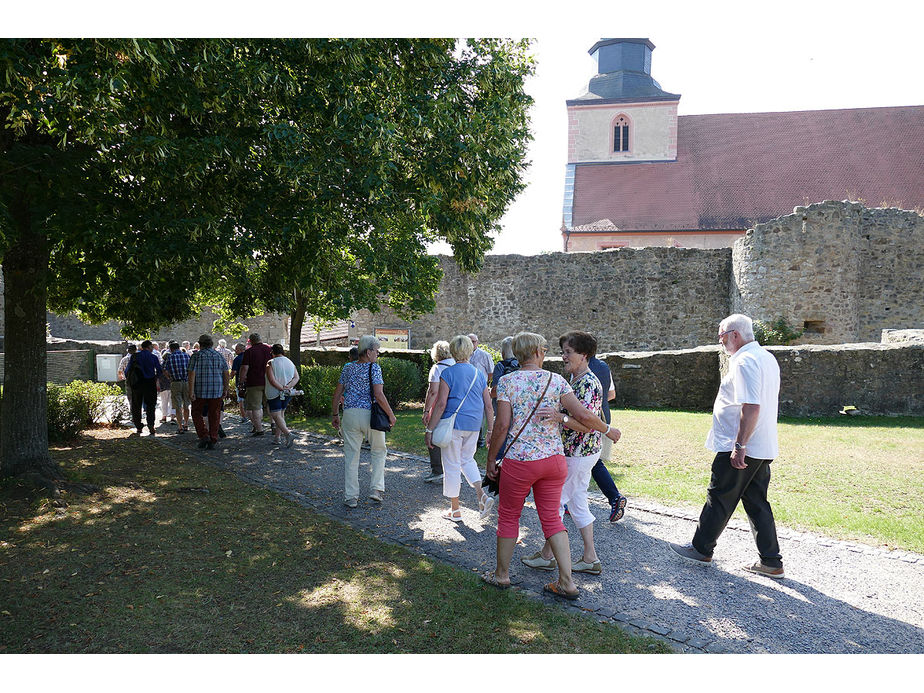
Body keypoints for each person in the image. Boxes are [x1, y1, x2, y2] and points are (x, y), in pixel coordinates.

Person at [482, 331, 618, 600]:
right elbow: (581, 414)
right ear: (536, 352)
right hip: (553, 461)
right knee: (553, 518)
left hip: (520, 461)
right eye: (543, 349)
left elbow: (502, 425)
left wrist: (490, 460)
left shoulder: (508, 382)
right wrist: (606, 429)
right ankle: (566, 582)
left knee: (509, 515)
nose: (547, 353)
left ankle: (501, 575)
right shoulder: (556, 381)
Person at [669, 314, 785, 579]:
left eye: (721, 336)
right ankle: (771, 561)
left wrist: (739, 445)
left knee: (719, 496)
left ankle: (701, 549)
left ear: (735, 334)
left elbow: (752, 406)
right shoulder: (766, 357)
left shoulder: (745, 360)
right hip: (761, 445)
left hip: (743, 445)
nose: (720, 342)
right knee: (756, 502)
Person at [522, 331, 621, 576]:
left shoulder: (587, 382)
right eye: (563, 351)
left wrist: (560, 417)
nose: (564, 356)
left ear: (584, 355)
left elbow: (587, 423)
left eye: (569, 352)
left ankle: (547, 556)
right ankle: (590, 558)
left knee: (555, 503)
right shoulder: (577, 379)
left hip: (578, 453)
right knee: (577, 503)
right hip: (580, 453)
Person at [424, 335, 494, 522]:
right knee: (467, 460)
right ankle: (481, 495)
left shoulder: (448, 373)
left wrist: (430, 430)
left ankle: (455, 510)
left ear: (453, 351)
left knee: (452, 465)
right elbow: (488, 406)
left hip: (453, 424)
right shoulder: (479, 374)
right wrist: (489, 430)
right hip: (473, 425)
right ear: (470, 351)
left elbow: (441, 404)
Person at [330, 335, 397, 508]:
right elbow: (378, 394)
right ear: (368, 352)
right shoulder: (374, 368)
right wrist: (390, 414)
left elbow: (337, 393)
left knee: (351, 456)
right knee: (378, 451)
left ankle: (351, 497)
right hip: (370, 415)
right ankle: (376, 490)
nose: (378, 354)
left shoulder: (348, 368)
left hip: (350, 415)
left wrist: (335, 414)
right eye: (377, 351)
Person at [587, 352, 629, 522]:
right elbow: (611, 395)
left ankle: (614, 497)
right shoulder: (604, 367)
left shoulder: (581, 368)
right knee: (592, 460)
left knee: (591, 460)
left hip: (589, 420)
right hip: (604, 417)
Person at [187, 334, 230, 450]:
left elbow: (191, 374)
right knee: (214, 415)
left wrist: (190, 391)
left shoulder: (196, 356)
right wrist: (225, 388)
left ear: (200, 344)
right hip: (216, 391)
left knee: (196, 413)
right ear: (211, 344)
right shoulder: (219, 356)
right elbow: (226, 373)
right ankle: (213, 438)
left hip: (199, 390)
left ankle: (203, 435)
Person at [421, 340, 455, 483]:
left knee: (433, 434)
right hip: (454, 406)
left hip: (439, 404)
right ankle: (450, 470)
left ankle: (437, 470)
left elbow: (433, 391)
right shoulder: (456, 365)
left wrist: (426, 410)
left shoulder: (437, 368)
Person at [238, 332, 274, 436]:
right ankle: (273, 424)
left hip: (254, 382)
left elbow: (244, 368)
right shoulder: (269, 349)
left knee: (256, 407)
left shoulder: (249, 352)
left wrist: (241, 382)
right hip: (269, 381)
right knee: (270, 404)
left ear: (251, 341)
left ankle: (259, 429)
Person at [265, 343, 299, 448]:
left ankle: (288, 434)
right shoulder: (290, 362)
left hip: (274, 392)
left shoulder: (270, 363)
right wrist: (288, 387)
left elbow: (271, 380)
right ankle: (277, 438)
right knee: (281, 414)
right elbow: (296, 377)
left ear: (272, 352)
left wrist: (281, 388)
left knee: (275, 415)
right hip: (287, 393)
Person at [127, 340, 163, 436]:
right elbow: (159, 371)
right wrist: (156, 379)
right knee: (151, 405)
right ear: (149, 347)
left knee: (136, 405)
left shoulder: (134, 356)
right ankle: (151, 425)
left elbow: (127, 370)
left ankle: (138, 426)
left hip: (137, 383)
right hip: (150, 382)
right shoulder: (153, 357)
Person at [468, 333, 494, 447]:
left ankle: (481, 438)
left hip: (480, 389)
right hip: (466, 389)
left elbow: (490, 373)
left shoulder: (484, 355)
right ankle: (470, 436)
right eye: (469, 341)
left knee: (482, 412)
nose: (471, 344)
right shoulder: (463, 355)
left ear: (477, 342)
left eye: (473, 341)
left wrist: (485, 384)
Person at [163, 341, 191, 433]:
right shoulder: (186, 355)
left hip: (175, 382)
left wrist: (169, 377)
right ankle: (186, 424)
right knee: (186, 404)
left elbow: (164, 370)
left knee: (178, 406)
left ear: (171, 349)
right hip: (186, 382)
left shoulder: (170, 357)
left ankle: (180, 427)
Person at [117, 343, 137, 415]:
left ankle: (132, 412)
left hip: (128, 380)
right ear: (136, 350)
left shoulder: (124, 359)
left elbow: (120, 370)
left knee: (130, 397)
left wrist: (122, 377)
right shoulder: (139, 358)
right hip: (138, 380)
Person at [230, 343, 247, 422]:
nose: (235, 351)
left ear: (240, 350)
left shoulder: (237, 359)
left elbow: (234, 371)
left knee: (241, 400)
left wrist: (230, 377)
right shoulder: (249, 357)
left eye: (236, 349)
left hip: (240, 382)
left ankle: (244, 417)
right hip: (250, 382)